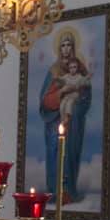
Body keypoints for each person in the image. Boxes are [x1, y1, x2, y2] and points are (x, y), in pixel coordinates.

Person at [38, 30, 92, 203]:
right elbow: (45, 100)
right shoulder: (54, 71)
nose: (66, 48)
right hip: (55, 123)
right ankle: (55, 191)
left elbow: (86, 97)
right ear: (59, 48)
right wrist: (61, 93)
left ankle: (69, 190)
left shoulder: (80, 69)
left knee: (71, 153)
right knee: (56, 153)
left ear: (73, 47)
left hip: (74, 123)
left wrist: (77, 106)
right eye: (63, 45)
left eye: (69, 45)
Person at [58, 58, 88, 125]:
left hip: (74, 95)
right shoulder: (67, 76)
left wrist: (87, 78)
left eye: (74, 67)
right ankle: (62, 119)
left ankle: (67, 117)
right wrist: (57, 78)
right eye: (71, 67)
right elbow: (61, 79)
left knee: (69, 103)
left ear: (77, 68)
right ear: (68, 68)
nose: (72, 69)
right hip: (67, 95)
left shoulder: (79, 77)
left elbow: (85, 82)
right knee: (62, 104)